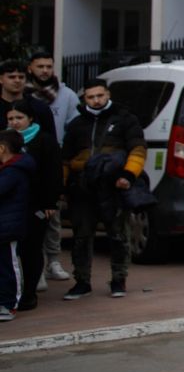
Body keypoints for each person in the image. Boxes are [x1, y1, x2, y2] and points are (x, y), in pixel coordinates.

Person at [61, 78, 148, 300]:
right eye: (91, 97)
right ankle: (82, 281)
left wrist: (128, 175)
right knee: (81, 236)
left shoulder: (125, 119)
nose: (96, 100)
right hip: (82, 187)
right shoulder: (77, 124)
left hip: (114, 186)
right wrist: (62, 187)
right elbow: (65, 159)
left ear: (108, 94)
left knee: (118, 234)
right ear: (85, 99)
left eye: (100, 95)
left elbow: (138, 148)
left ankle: (118, 279)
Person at [7, 101, 60, 312]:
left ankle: (30, 293)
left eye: (19, 118)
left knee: (31, 249)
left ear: (30, 118)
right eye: (11, 119)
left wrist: (50, 201)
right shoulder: (6, 140)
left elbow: (53, 173)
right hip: (11, 204)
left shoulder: (44, 141)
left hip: (36, 204)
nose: (15, 122)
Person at [0, 129, 30, 321]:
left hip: (8, 227)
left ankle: (10, 304)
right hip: (4, 226)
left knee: (8, 266)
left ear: (2, 148)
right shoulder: (8, 169)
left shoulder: (14, 171)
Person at [26, 52, 78, 144]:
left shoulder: (68, 95)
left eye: (49, 67)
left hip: (57, 150)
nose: (45, 70)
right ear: (29, 69)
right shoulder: (22, 94)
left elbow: (75, 127)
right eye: (40, 67)